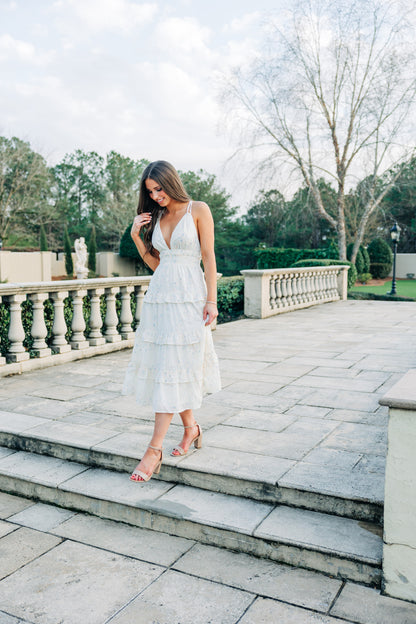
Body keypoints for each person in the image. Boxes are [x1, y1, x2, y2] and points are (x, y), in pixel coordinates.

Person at [122, 160, 221, 482]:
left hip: (189, 300)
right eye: (150, 192)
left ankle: (154, 449)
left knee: (171, 368)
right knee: (169, 367)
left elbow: (208, 257)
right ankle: (191, 428)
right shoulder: (158, 217)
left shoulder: (198, 209)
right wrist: (137, 235)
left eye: (159, 188)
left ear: (171, 182)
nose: (156, 195)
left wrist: (212, 300)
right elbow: (157, 264)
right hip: (160, 299)